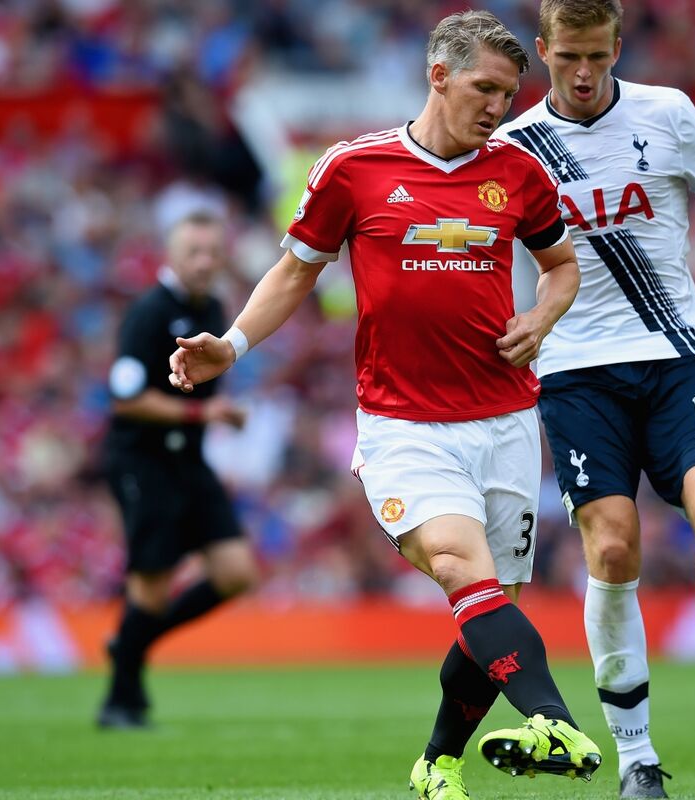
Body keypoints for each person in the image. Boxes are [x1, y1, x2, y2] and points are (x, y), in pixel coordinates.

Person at [166, 11, 602, 797]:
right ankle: (555, 721)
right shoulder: (353, 168)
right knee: (460, 567)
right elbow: (295, 272)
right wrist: (230, 346)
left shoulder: (520, 173)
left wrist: (542, 316)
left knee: (489, 612)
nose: (498, 107)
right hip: (405, 426)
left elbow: (562, 266)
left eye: (508, 94)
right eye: (484, 88)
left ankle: (438, 763)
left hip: (506, 422)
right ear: (439, 76)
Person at [497, 1, 695, 796]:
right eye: (567, 58)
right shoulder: (513, 148)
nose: (584, 74)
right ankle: (637, 758)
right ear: (543, 50)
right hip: (575, 373)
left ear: (618, 46)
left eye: (598, 55)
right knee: (613, 550)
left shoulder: (668, 113)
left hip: (676, 356)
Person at [98, 210, 259, 729]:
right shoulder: (148, 313)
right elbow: (125, 399)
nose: (205, 262)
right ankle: (121, 701)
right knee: (152, 584)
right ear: (170, 255)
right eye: (194, 252)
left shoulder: (212, 308)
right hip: (143, 460)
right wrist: (203, 413)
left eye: (213, 252)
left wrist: (216, 412)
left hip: (188, 460)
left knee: (235, 573)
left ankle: (131, 642)